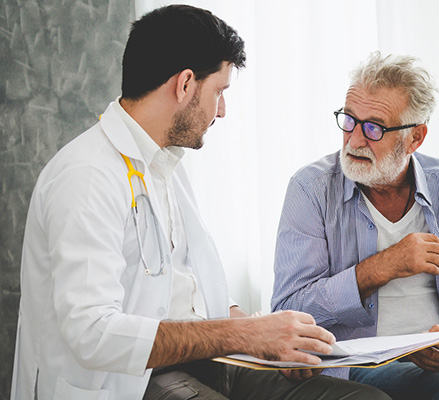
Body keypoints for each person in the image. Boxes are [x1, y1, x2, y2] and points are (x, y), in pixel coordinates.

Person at [11, 5, 389, 400]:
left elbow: (189, 290)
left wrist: (276, 337)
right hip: (130, 381)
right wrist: (246, 334)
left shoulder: (164, 163)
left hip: (207, 361)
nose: (222, 111)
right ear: (185, 84)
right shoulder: (88, 176)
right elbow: (92, 334)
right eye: (219, 91)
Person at [272, 51, 439, 399]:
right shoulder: (310, 189)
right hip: (348, 368)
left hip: (436, 370)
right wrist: (382, 267)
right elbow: (288, 310)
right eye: (349, 120)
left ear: (415, 138)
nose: (354, 140)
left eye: (374, 128)